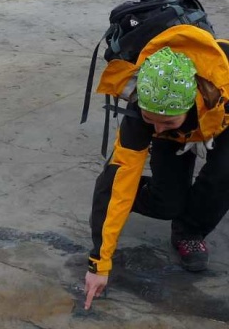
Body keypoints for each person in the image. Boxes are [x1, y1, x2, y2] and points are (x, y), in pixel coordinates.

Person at [83, 24, 229, 310]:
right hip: (181, 124)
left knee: (225, 175)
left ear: (191, 104)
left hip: (222, 115)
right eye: (152, 120)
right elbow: (125, 171)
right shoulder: (142, 118)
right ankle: (109, 192)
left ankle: (189, 231)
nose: (158, 129)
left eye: (167, 122)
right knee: (165, 202)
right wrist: (99, 264)